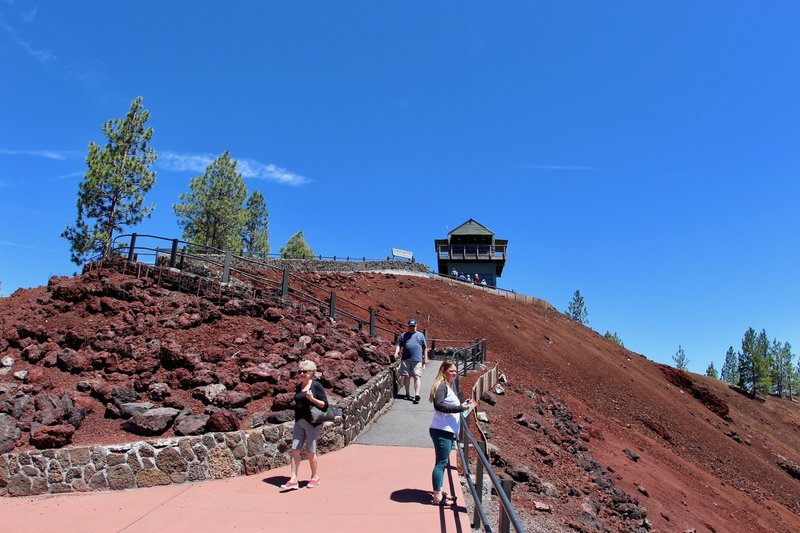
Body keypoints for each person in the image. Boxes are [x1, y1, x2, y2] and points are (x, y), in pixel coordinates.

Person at [428, 360, 475, 505]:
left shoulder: (447, 386)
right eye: (451, 371)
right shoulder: (442, 386)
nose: (454, 373)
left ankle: (439, 491)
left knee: (441, 462)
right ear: (443, 371)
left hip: (444, 430)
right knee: (441, 463)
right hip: (442, 430)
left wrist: (464, 406)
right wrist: (460, 408)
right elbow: (439, 406)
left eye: (455, 371)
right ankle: (437, 497)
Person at [280, 360, 329, 490]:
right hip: (299, 422)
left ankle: (315, 477)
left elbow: (325, 405)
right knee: (295, 450)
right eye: (299, 371)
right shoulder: (298, 386)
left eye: (304, 371)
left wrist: (312, 399)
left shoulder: (316, 386)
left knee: (310, 451)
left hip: (312, 423)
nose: (301, 373)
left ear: (311, 373)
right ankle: (293, 479)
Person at [394, 319, 428, 404]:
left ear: (416, 326)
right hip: (406, 359)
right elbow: (399, 345)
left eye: (414, 326)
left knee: (417, 376)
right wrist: (396, 352)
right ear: (408, 326)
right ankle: (407, 393)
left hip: (417, 359)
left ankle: (417, 394)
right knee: (407, 376)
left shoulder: (420, 335)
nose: (412, 328)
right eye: (411, 326)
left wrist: (425, 358)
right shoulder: (403, 335)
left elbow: (425, 347)